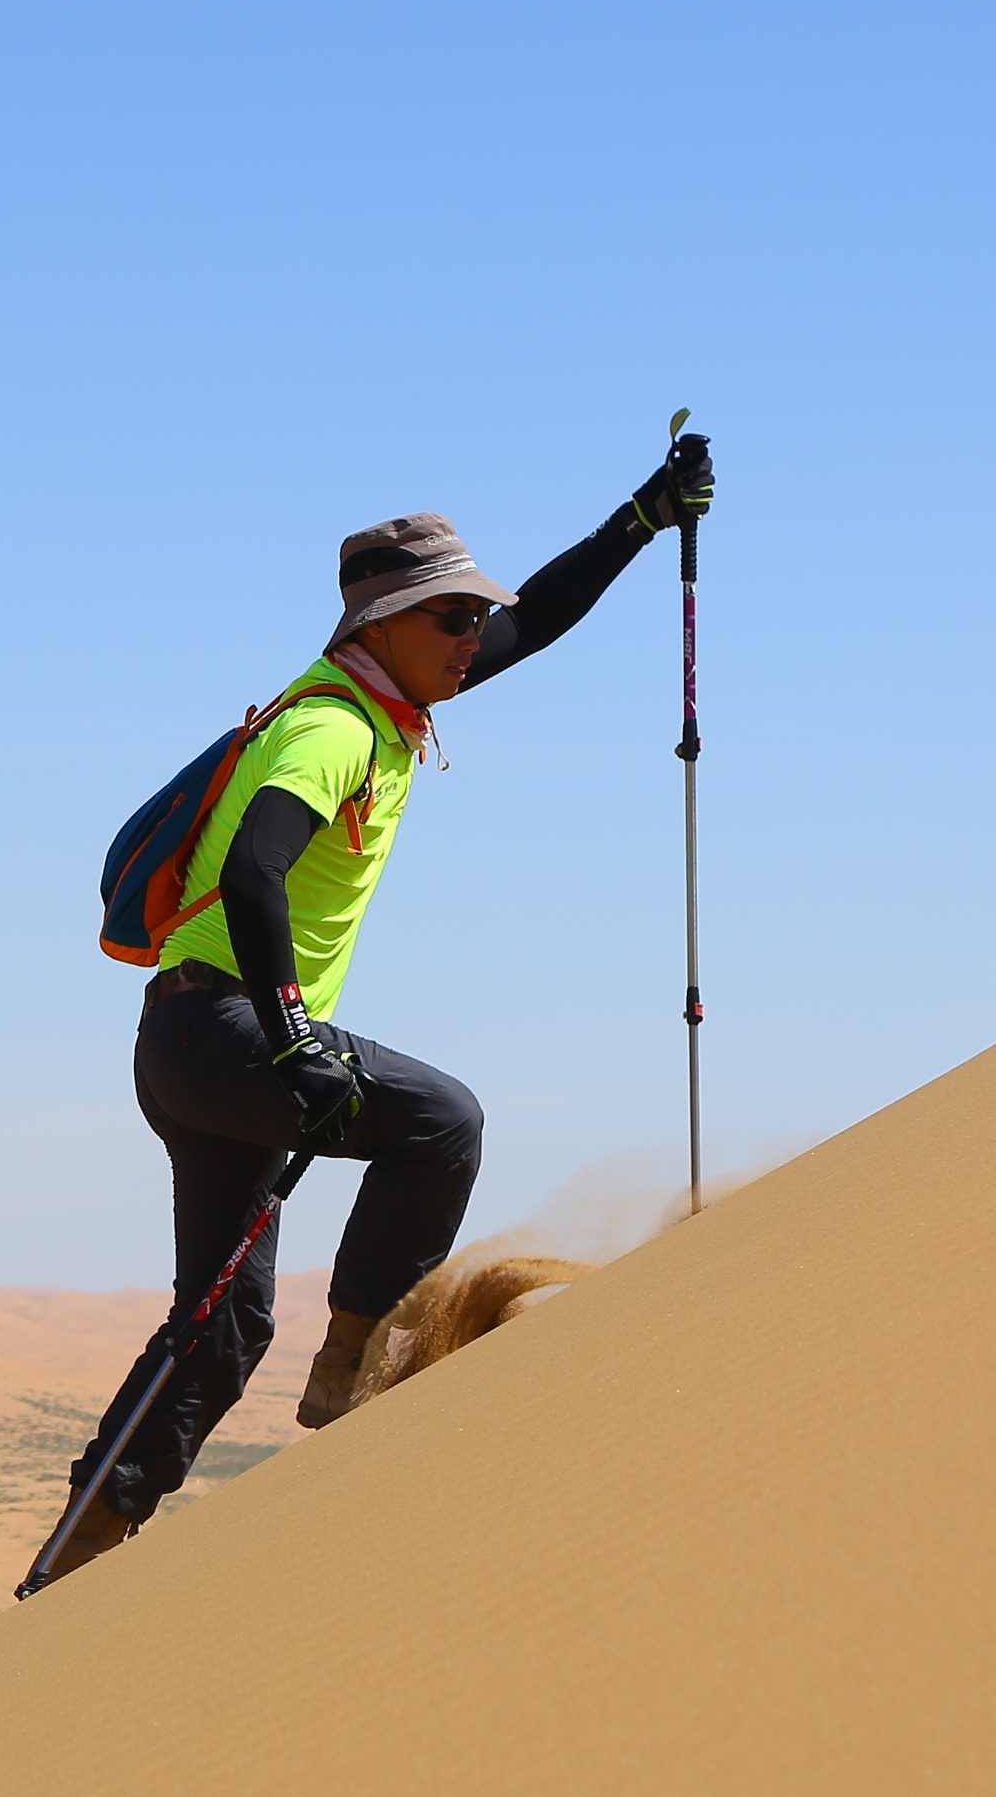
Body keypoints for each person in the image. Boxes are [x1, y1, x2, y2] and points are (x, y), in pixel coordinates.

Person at [36, 432, 716, 1588]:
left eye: (468, 618)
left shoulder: (397, 695)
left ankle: (85, 1546)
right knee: (440, 1122)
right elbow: (254, 871)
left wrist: (640, 518)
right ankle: (355, 1373)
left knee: (221, 1319)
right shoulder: (332, 724)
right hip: (224, 1033)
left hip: (193, 1043)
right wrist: (295, 1033)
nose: (470, 638)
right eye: (449, 619)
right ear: (380, 625)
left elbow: (535, 621)